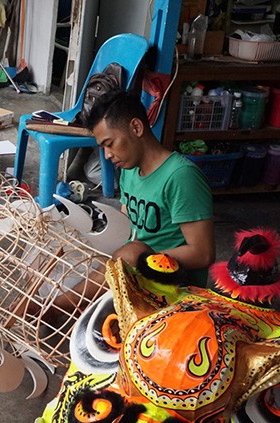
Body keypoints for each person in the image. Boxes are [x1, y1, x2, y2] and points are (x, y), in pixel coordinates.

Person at [86, 89, 215, 287]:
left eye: (109, 144)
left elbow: (203, 253)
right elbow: (126, 227)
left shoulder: (181, 176)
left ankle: (53, 308)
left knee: (128, 255)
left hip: (173, 283)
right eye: (103, 147)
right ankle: (56, 305)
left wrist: (141, 259)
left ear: (136, 128)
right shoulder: (129, 169)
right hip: (136, 269)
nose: (107, 155)